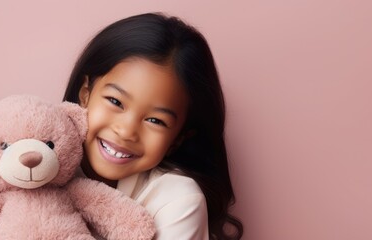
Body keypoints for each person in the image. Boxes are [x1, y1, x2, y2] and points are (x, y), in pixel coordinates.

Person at [62, 12, 243, 240]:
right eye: (115, 102)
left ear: (177, 138)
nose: (126, 131)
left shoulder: (179, 201)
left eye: (155, 120)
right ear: (85, 93)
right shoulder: (32, 164)